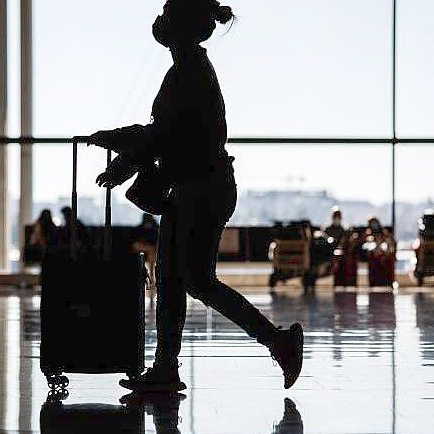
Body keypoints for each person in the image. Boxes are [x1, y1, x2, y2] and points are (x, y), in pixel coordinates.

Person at [87, 0, 303, 392]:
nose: (160, 21)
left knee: (187, 279)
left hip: (197, 191)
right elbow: (164, 132)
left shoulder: (187, 72)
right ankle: (178, 365)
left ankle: (273, 342)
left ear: (179, 26)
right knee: (179, 279)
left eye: (167, 15)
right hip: (202, 188)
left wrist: (122, 156)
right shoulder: (190, 70)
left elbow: (164, 136)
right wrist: (119, 141)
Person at [133, 213, 159, 290]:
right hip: (144, 249)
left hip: (152, 251)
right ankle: (150, 277)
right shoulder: (140, 228)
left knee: (152, 253)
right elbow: (135, 242)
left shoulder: (155, 228)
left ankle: (151, 277)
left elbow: (156, 241)